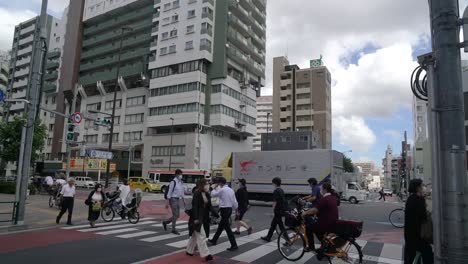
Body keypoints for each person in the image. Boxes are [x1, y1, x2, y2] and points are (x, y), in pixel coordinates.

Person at [301, 182, 339, 251]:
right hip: (333, 221)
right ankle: (324, 244)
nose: (320, 190)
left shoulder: (324, 199)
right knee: (316, 228)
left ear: (324, 189)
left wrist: (305, 212)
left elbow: (315, 210)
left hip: (326, 223)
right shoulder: (333, 197)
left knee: (308, 228)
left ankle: (311, 247)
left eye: (321, 189)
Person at [404, 179, 433, 264]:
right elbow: (423, 216)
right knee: (428, 252)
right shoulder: (418, 199)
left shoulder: (410, 198)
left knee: (410, 255)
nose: (423, 187)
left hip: (409, 233)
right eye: (422, 185)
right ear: (417, 187)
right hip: (417, 234)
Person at [186, 179, 214, 262]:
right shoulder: (197, 193)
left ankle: (189, 250)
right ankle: (206, 255)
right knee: (202, 236)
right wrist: (196, 218)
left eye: (208, 184)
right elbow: (195, 207)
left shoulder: (207, 194)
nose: (208, 185)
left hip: (204, 218)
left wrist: (216, 214)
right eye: (206, 184)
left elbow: (209, 206)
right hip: (197, 218)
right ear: (202, 185)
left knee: (195, 235)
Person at [208, 177, 238, 251]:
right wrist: (234, 208)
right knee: (221, 226)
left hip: (224, 210)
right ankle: (214, 240)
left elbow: (213, 194)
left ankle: (234, 245)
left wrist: (212, 188)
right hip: (229, 209)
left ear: (221, 183)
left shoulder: (223, 190)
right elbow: (234, 201)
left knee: (227, 228)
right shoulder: (231, 189)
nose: (218, 184)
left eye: (218, 183)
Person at [261, 177, 288, 242]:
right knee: (273, 225)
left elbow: (275, 202)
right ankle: (268, 237)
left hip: (277, 211)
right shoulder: (281, 190)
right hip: (281, 209)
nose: (272, 184)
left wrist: (273, 211)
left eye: (272, 183)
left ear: (275, 183)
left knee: (281, 226)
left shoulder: (276, 191)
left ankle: (288, 240)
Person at [163, 169, 185, 235]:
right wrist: (167, 202)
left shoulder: (180, 182)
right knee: (175, 215)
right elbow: (169, 192)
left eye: (181, 174)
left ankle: (166, 222)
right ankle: (173, 229)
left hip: (178, 199)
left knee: (177, 215)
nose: (181, 175)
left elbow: (181, 191)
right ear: (176, 175)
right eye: (179, 174)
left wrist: (183, 199)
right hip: (172, 199)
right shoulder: (173, 182)